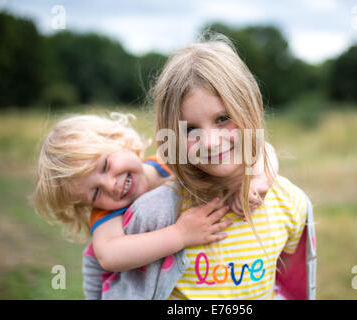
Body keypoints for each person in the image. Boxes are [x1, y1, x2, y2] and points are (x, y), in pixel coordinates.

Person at [89, 33, 314, 300]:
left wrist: (261, 178)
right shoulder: (154, 214)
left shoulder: (291, 203)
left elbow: (291, 285)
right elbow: (113, 279)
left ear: (250, 107)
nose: (210, 142)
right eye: (191, 129)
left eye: (222, 118)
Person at [32, 112, 276, 299]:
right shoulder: (106, 213)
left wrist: (258, 178)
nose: (111, 185)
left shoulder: (169, 161)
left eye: (105, 165)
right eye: (95, 192)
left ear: (118, 140)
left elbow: (262, 149)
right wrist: (180, 234)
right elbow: (109, 255)